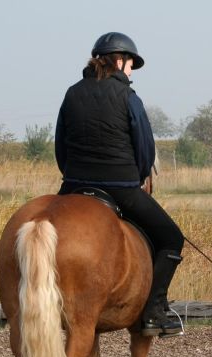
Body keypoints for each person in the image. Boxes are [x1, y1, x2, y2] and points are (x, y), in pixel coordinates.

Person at [54, 32, 184, 337]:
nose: (131, 72)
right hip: (120, 187)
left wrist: (71, 178)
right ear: (119, 60)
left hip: (72, 186)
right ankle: (153, 310)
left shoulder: (71, 93)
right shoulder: (128, 97)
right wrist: (137, 178)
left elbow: (60, 145)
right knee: (171, 238)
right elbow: (144, 149)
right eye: (130, 65)